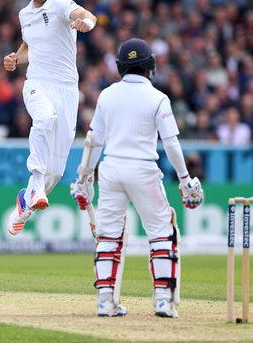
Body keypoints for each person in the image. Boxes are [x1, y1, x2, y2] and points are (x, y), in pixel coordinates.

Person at [70, 38, 204, 318]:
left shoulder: (107, 95)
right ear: (149, 66)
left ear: (121, 66)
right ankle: (163, 301)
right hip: (143, 170)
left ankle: (106, 302)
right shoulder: (158, 98)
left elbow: (94, 141)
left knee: (108, 236)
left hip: (111, 170)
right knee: (162, 233)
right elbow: (171, 144)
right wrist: (184, 180)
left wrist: (85, 180)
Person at [3, 0, 96, 235]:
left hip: (67, 90)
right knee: (44, 117)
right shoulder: (24, 15)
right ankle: (34, 181)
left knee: (55, 170)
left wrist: (86, 23)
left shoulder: (61, 5)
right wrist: (15, 59)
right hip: (37, 83)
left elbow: (86, 14)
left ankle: (26, 202)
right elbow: (31, 45)